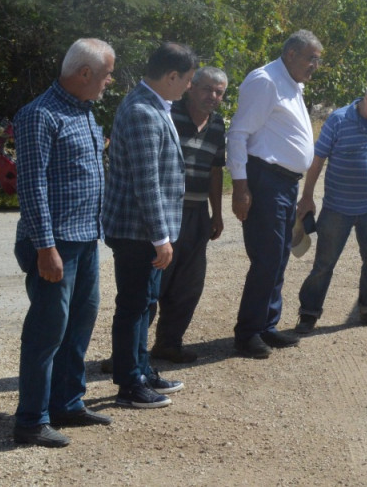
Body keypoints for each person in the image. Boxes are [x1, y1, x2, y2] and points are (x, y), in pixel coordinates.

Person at [12, 39, 115, 448]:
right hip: (55, 244)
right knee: (46, 331)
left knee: (79, 324)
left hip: (86, 238)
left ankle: (67, 403)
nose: (110, 82)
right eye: (107, 74)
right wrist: (45, 247)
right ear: (85, 73)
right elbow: (31, 186)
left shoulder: (83, 111)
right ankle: (31, 421)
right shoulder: (39, 115)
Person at [101, 42, 196, 408]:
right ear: (171, 76)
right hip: (136, 232)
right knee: (134, 305)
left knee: (145, 303)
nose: (189, 87)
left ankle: (141, 369)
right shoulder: (142, 110)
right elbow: (147, 182)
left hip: (143, 232)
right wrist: (161, 237)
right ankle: (129, 383)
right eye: (186, 80)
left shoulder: (155, 104)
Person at [227, 31, 323, 359]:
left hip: (284, 184)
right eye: (311, 58)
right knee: (266, 258)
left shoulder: (290, 82)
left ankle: (267, 325)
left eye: (317, 59)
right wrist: (240, 187)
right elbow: (238, 134)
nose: (315, 65)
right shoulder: (265, 81)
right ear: (292, 53)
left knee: (280, 257)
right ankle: (247, 333)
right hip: (265, 181)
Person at [295, 80, 367, 334]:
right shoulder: (339, 120)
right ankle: (308, 314)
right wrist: (307, 196)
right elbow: (317, 159)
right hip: (337, 208)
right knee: (324, 264)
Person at [150, 67, 229, 364]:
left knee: (189, 284)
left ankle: (168, 344)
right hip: (167, 211)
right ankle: (128, 353)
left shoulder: (218, 124)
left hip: (198, 214)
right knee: (154, 281)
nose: (213, 97)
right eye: (207, 89)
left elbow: (215, 169)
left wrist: (217, 213)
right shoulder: (169, 115)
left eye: (219, 92)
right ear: (191, 87)